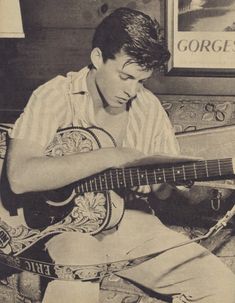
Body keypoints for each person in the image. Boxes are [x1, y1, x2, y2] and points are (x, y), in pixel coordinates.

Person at [6, 7, 235, 303]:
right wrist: (112, 155)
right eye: (125, 77)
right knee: (78, 273)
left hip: (132, 222)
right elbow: (19, 177)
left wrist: (156, 184)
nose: (132, 90)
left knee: (221, 287)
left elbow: (164, 192)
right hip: (62, 228)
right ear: (98, 58)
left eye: (141, 81)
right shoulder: (55, 95)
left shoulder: (147, 107)